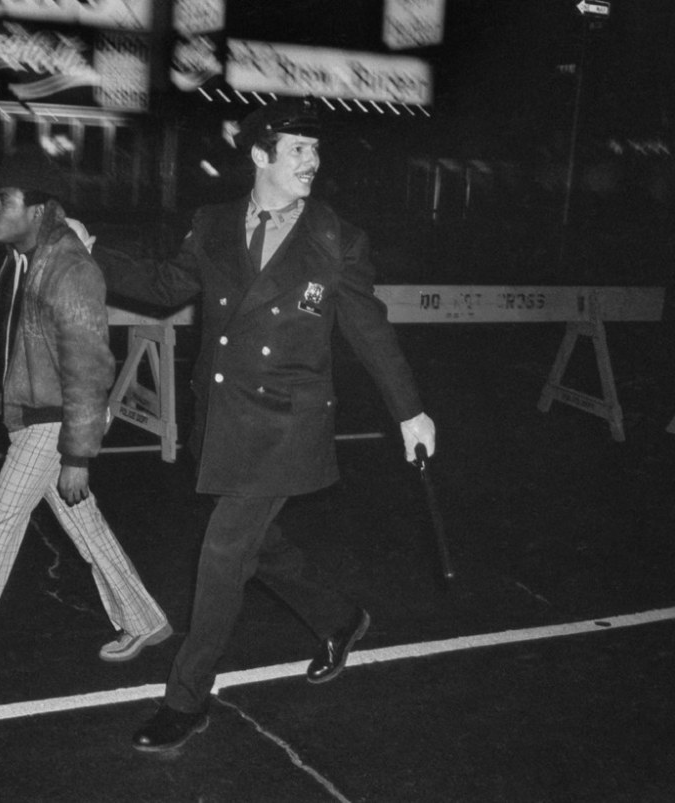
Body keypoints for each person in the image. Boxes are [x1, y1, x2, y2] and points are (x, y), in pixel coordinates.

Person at [92, 98, 437, 750]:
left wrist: (409, 410)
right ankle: (341, 617)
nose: (313, 161)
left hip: (287, 421)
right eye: (298, 149)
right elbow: (166, 286)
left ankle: (187, 700)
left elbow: (369, 331)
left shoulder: (334, 238)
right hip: (223, 417)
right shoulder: (214, 224)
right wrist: (91, 252)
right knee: (261, 545)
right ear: (259, 155)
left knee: (223, 554)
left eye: (316, 150)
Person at [0, 149, 172, 707]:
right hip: (32, 420)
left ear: (39, 208)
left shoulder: (69, 269)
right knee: (83, 524)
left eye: (4, 200)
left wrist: (78, 453)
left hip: (54, 422)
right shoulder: (20, 264)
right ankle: (143, 618)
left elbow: (91, 366)